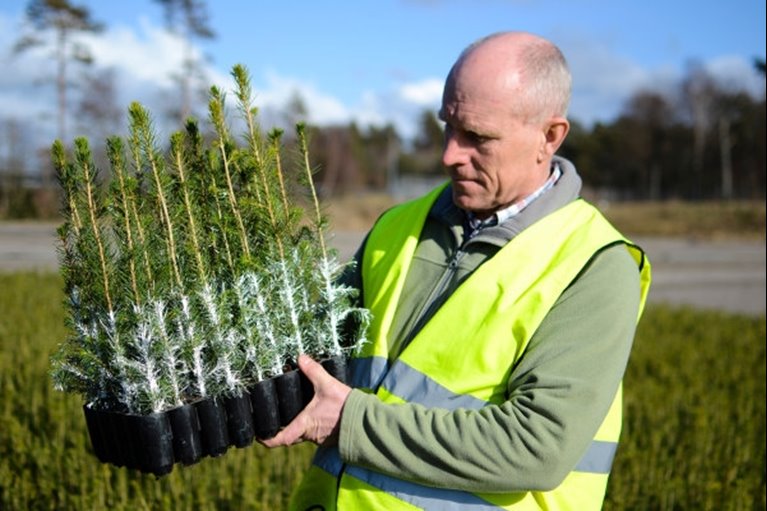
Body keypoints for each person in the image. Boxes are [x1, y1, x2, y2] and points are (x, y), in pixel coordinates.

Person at [262, 30, 652, 511]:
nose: (449, 154)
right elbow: (311, 347)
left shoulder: (594, 265)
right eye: (448, 126)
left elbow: (536, 448)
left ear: (549, 137)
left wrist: (351, 423)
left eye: (478, 137)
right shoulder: (398, 225)